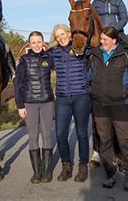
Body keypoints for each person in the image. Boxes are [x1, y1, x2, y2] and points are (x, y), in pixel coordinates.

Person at [90, 0, 128, 167]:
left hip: (116, 33)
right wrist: (101, 33)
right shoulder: (95, 2)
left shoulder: (118, 0)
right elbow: (92, 20)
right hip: (99, 35)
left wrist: (113, 30)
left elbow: (125, 17)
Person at [88, 26, 128, 191]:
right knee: (105, 141)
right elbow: (87, 76)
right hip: (99, 105)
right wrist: (92, 91)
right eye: (101, 39)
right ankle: (110, 172)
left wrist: (126, 92)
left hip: (121, 105)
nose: (102, 42)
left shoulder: (125, 54)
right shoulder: (95, 55)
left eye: (105, 39)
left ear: (114, 40)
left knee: (125, 140)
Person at [49, 24, 91, 182]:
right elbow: (41, 61)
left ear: (69, 33)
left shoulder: (81, 48)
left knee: (81, 133)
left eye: (62, 34)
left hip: (81, 96)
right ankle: (66, 165)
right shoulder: (54, 52)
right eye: (57, 36)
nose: (60, 38)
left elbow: (93, 63)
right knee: (60, 134)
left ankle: (83, 166)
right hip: (62, 98)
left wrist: (86, 82)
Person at [14, 31, 54, 184]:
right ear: (29, 45)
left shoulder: (49, 58)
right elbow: (18, 83)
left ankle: (47, 171)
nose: (37, 45)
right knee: (33, 136)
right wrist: (20, 105)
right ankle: (37, 172)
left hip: (47, 102)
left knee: (47, 135)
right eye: (34, 42)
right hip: (29, 103)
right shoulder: (23, 60)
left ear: (43, 43)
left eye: (39, 42)